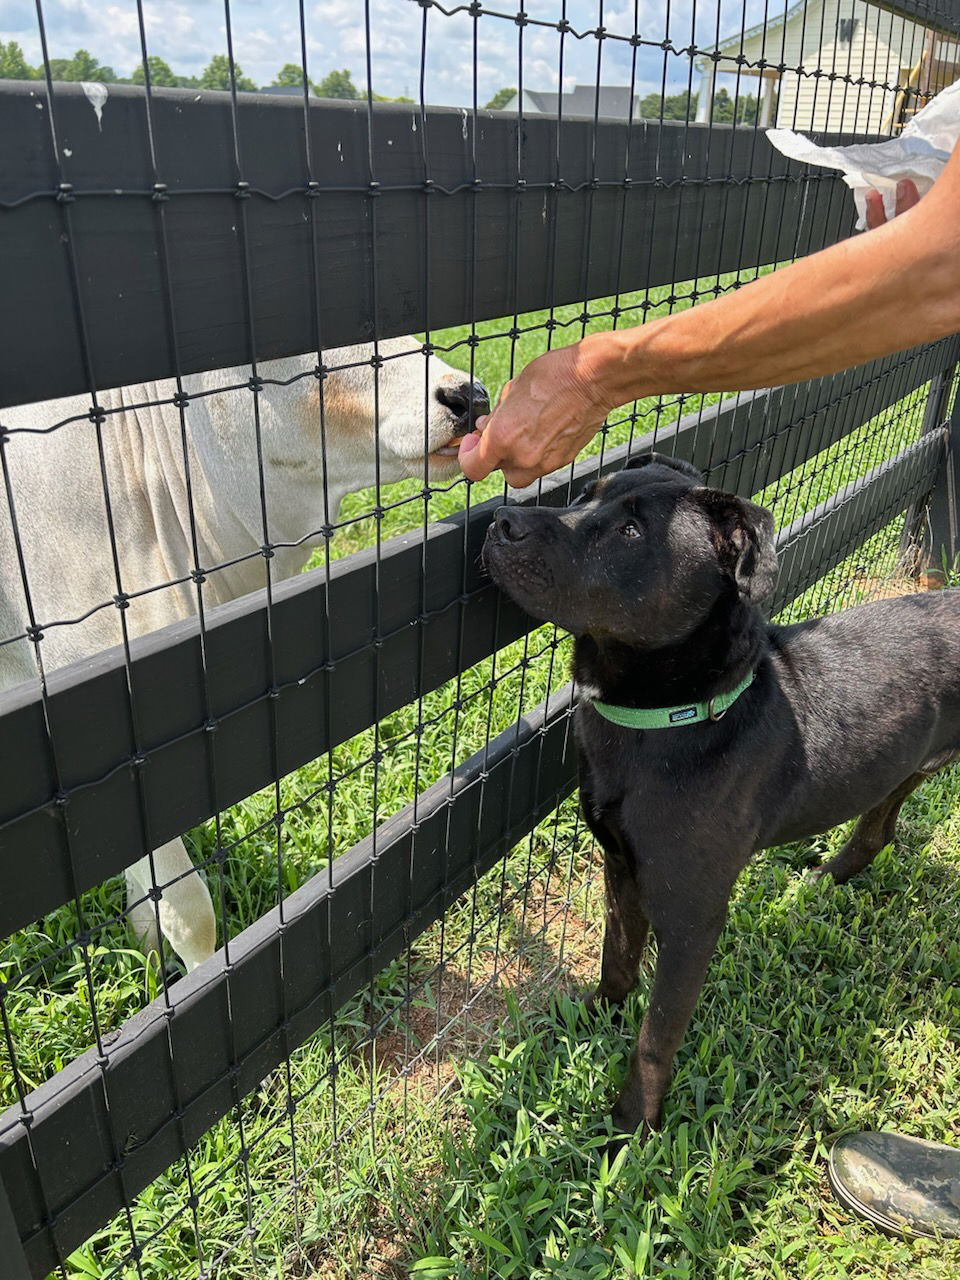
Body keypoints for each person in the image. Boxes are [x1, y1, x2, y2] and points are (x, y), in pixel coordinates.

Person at [458, 146, 960, 1241]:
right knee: (627, 863)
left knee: (679, 919)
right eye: (593, 506)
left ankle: (645, 1082)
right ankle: (857, 840)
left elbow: (939, 263)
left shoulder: (711, 779)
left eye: (624, 531)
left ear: (723, 568)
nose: (555, 527)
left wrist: (646, 1063)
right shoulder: (623, 716)